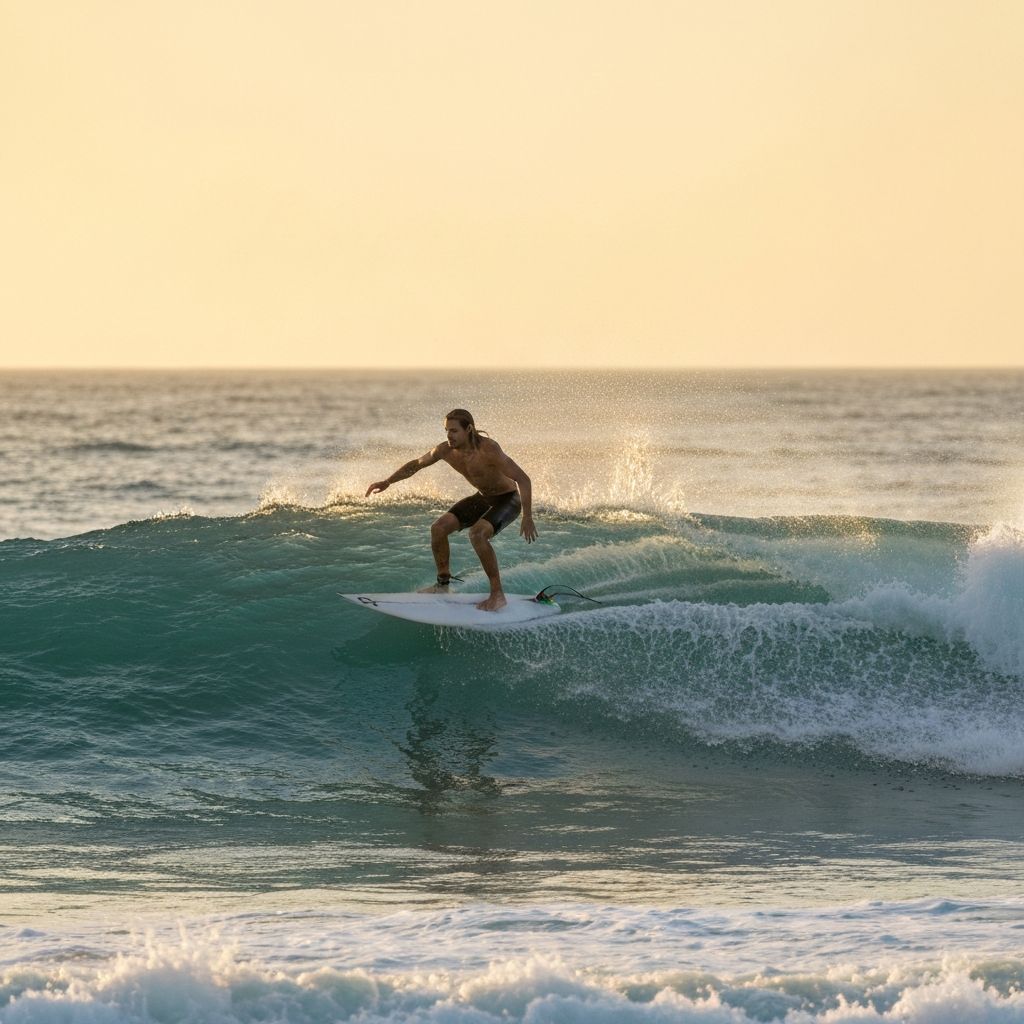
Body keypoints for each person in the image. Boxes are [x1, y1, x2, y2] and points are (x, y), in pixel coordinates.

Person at [365, 409, 537, 612]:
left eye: (454, 431)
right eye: (446, 430)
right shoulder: (445, 451)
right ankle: (442, 585)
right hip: (483, 497)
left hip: (508, 499)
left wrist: (527, 516)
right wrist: (388, 481)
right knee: (438, 529)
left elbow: (523, 479)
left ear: (469, 429)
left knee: (478, 534)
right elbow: (417, 464)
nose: (449, 436)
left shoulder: (489, 449)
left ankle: (498, 595)